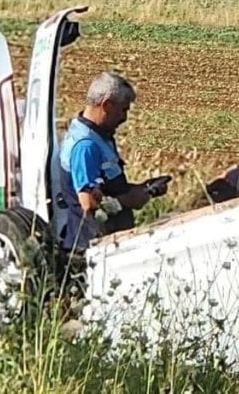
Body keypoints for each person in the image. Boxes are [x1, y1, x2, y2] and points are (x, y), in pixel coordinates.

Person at [57, 71, 168, 261]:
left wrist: (144, 189)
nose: (125, 118)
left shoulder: (99, 136)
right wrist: (128, 200)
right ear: (106, 105)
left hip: (110, 243)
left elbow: (109, 188)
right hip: (94, 250)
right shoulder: (85, 145)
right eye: (123, 110)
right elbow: (89, 203)